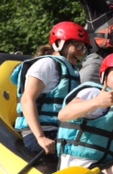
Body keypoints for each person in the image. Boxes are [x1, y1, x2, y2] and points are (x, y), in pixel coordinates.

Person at [11, 21, 89, 155]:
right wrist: (40, 137)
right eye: (77, 46)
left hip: (58, 132)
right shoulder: (47, 64)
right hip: (39, 134)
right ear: (59, 44)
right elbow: (27, 99)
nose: (80, 52)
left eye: (83, 48)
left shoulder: (73, 71)